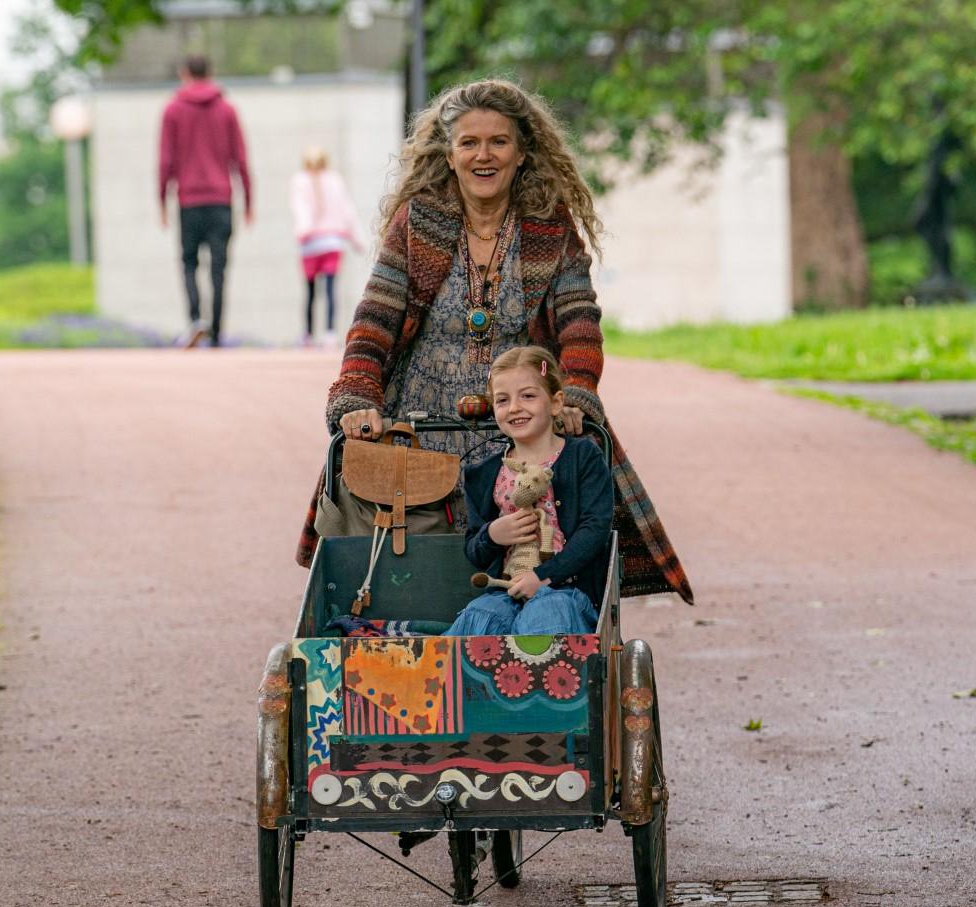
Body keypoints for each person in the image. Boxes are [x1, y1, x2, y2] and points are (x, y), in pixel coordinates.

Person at [297, 78, 693, 604]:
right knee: (417, 580)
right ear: (450, 153)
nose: (484, 155)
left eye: (498, 142)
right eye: (469, 143)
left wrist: (574, 393)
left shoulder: (548, 227)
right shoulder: (418, 224)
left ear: (522, 152)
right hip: (419, 428)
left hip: (518, 424)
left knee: (533, 548)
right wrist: (356, 399)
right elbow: (374, 322)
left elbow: (579, 322)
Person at [445, 347, 613, 636]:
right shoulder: (483, 474)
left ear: (556, 402)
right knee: (478, 619)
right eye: (502, 400)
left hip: (567, 590)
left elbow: (595, 529)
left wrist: (543, 576)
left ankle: (540, 679)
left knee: (545, 619)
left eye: (528, 396)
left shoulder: (583, 456)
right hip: (507, 589)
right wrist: (493, 534)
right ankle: (465, 680)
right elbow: (474, 548)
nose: (514, 408)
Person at [158, 54, 252, 348]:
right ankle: (217, 332)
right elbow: (241, 159)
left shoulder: (172, 110)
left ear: (184, 73)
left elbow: (165, 161)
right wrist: (249, 200)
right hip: (221, 199)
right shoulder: (227, 110)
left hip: (188, 200)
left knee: (189, 262)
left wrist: (162, 200)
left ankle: (196, 319)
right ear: (210, 73)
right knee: (219, 267)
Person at [290, 147, 364, 346]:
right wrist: (357, 239)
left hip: (311, 243)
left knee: (311, 291)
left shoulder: (300, 180)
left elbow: (300, 209)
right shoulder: (335, 180)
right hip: (333, 241)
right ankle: (329, 332)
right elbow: (348, 210)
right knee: (331, 289)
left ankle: (308, 333)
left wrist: (304, 230)